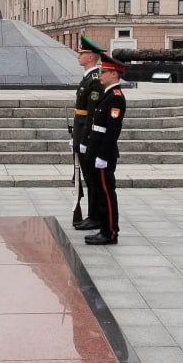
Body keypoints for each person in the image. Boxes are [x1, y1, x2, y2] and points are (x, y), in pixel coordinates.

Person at [83, 53, 127, 246]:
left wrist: (102, 155)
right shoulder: (107, 94)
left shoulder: (116, 98)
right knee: (100, 192)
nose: (100, 74)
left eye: (104, 72)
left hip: (103, 152)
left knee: (106, 193)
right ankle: (104, 228)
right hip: (96, 148)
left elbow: (112, 131)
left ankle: (110, 232)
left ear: (114, 74)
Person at [72, 35, 105, 232]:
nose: (78, 56)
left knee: (92, 180)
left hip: (89, 137)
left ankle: (95, 217)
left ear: (90, 57)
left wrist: (84, 140)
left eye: (81, 53)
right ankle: (92, 215)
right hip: (81, 133)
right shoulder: (88, 78)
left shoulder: (94, 80)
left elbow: (91, 114)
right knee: (88, 178)